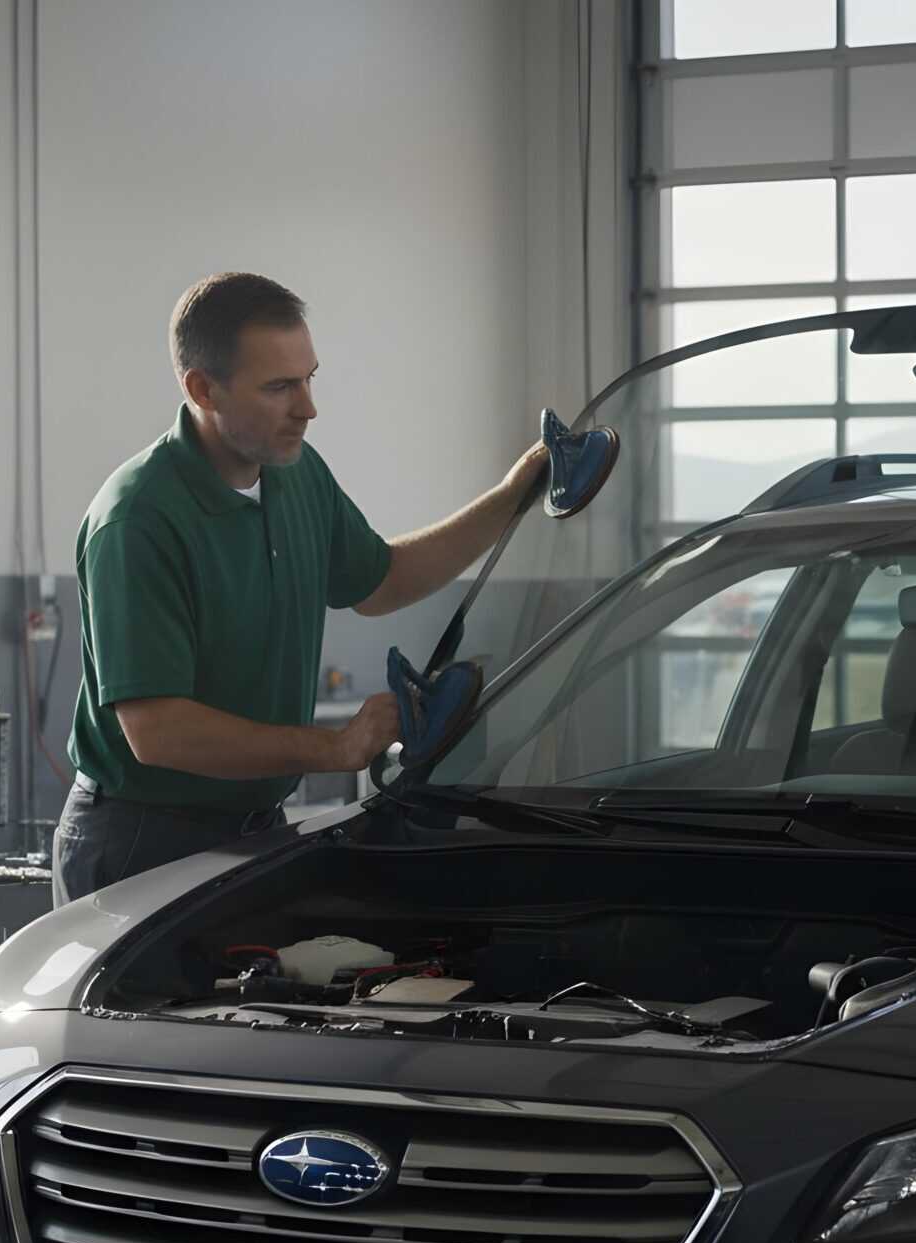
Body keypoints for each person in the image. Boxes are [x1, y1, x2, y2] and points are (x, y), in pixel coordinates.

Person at [53, 271, 546, 904]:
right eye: (280, 387)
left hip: (255, 824)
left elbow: (382, 579)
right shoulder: (138, 519)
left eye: (310, 378)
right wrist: (334, 747)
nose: (308, 407)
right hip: (139, 838)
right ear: (203, 388)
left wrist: (511, 498)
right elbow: (158, 732)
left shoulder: (296, 473)